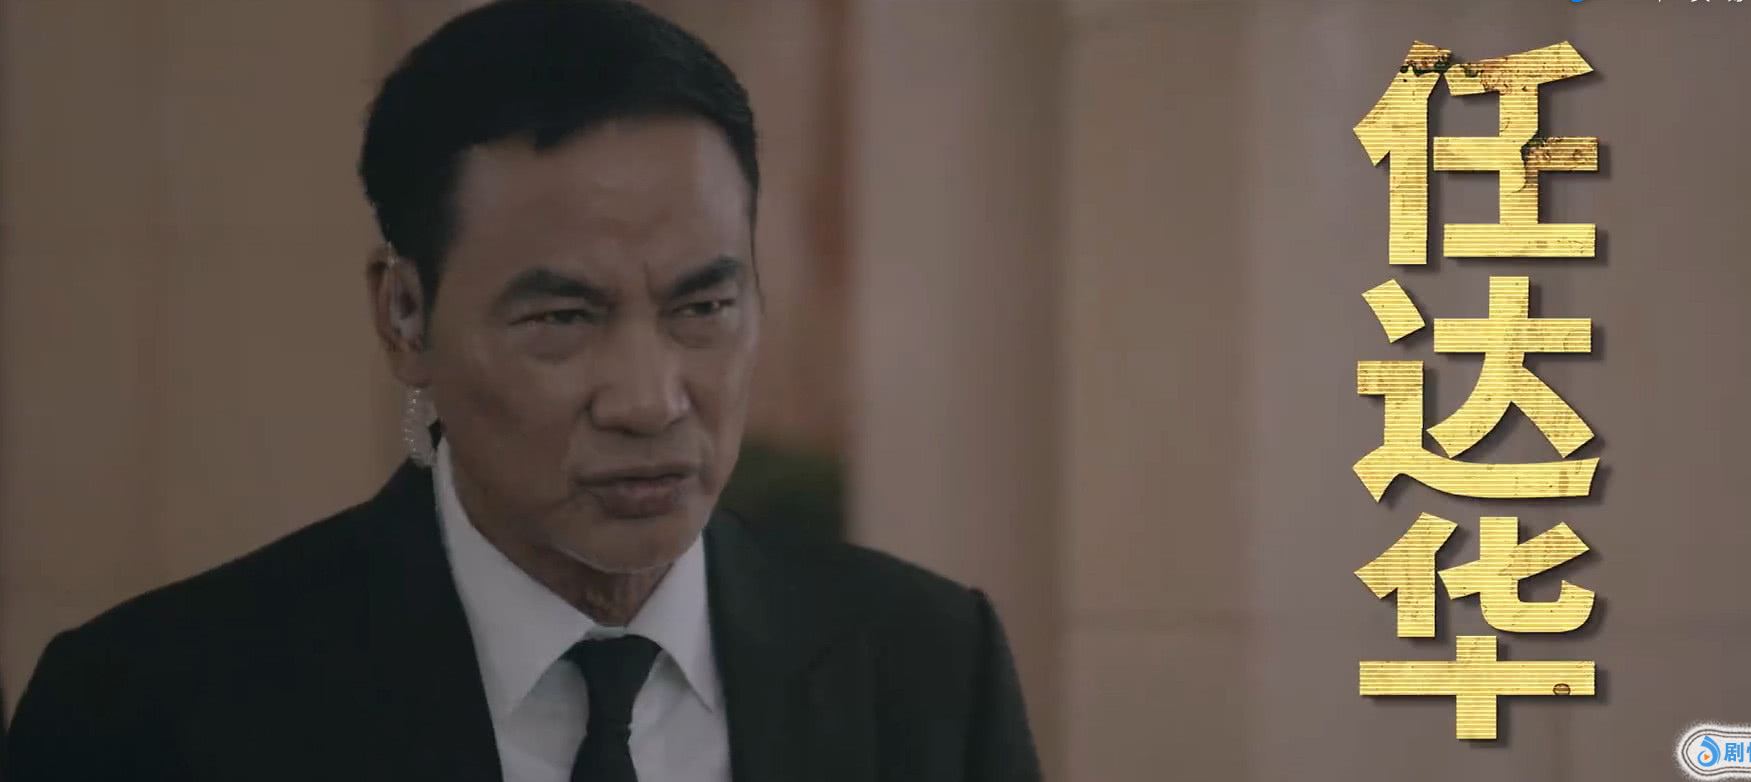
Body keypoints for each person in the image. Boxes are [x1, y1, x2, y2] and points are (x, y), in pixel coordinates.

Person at [0, 1, 1041, 780]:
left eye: (702, 307)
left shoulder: (924, 668)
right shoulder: (152, 709)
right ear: (406, 316)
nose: (648, 401)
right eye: (563, 319)